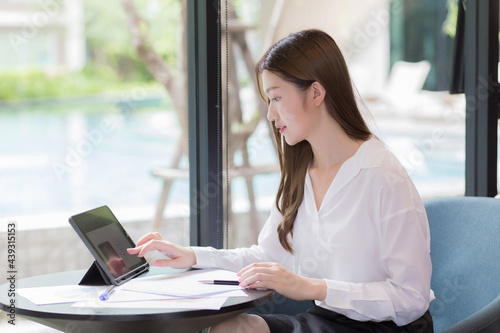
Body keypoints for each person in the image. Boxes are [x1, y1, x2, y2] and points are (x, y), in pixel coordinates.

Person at [127, 29, 434, 333]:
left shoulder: (383, 176)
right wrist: (193, 255)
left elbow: (411, 299)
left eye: (276, 98)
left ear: (315, 93)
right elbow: (267, 256)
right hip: (328, 321)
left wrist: (313, 287)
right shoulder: (302, 171)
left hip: (389, 327)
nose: (271, 115)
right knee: (230, 329)